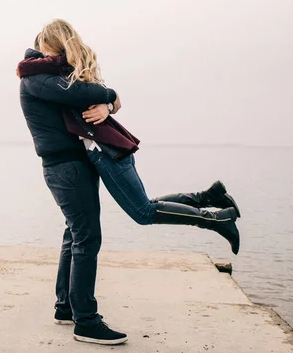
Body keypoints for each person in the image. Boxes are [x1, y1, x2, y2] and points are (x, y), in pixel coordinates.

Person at [17, 19, 242, 256]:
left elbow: (84, 94)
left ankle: (216, 219)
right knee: (145, 206)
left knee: (143, 211)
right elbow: (85, 98)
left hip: (106, 152)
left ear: (55, 45)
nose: (41, 54)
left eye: (45, 48)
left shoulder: (66, 77)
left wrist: (109, 101)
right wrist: (109, 102)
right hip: (107, 149)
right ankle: (208, 197)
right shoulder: (65, 74)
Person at [18, 29, 128, 345]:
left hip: (71, 165)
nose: (65, 54)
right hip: (65, 166)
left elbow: (83, 92)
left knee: (74, 233)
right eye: (62, 47)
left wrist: (108, 101)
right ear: (47, 47)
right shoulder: (36, 77)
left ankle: (66, 308)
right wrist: (109, 95)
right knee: (87, 236)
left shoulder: (46, 76)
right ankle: (87, 321)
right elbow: (79, 93)